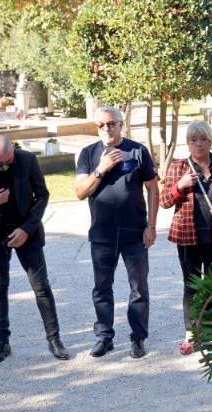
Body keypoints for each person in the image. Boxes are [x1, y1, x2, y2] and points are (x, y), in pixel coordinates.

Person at [0, 135, 70, 364]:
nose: (4, 166)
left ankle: (55, 340)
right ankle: (2, 343)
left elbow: (42, 195)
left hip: (26, 232)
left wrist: (26, 230)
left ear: (13, 152)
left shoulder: (28, 160)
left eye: (8, 162)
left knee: (41, 287)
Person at [75, 107, 159, 359]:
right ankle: (104, 337)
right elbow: (80, 192)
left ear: (121, 124)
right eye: (101, 125)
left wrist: (151, 226)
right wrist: (101, 168)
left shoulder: (137, 150)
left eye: (111, 124)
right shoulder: (88, 154)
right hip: (102, 234)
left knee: (139, 288)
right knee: (102, 288)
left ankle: (138, 338)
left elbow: (153, 189)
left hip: (135, 232)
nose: (106, 129)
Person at [160, 121, 212, 355]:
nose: (198, 144)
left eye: (203, 139)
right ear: (188, 143)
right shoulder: (178, 167)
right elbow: (165, 201)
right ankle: (192, 335)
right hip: (188, 239)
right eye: (193, 140)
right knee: (191, 287)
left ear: (210, 141)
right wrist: (181, 185)